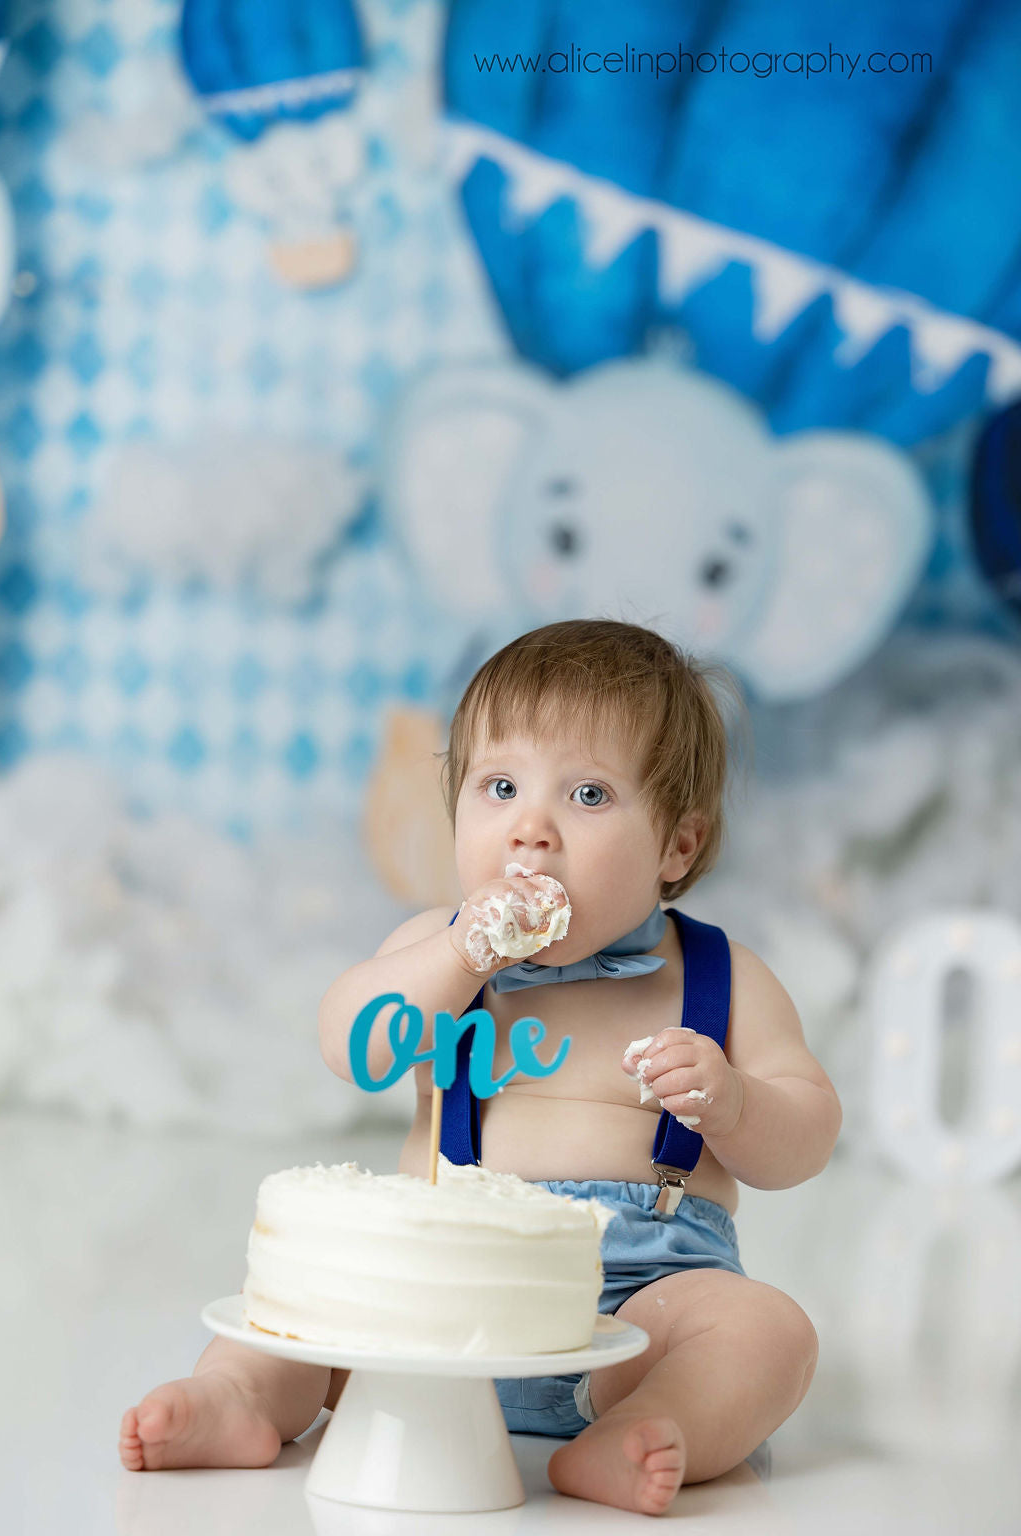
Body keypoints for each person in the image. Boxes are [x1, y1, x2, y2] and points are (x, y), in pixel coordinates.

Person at [119, 618, 840, 1517]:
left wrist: (734, 1104)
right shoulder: (439, 947)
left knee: (768, 1332)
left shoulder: (723, 979)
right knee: (297, 1302)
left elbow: (808, 1134)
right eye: (500, 787)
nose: (530, 830)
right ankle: (241, 1398)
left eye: (587, 794)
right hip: (434, 1295)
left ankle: (649, 1426)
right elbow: (350, 1043)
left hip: (635, 1305)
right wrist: (462, 955)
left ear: (677, 846)